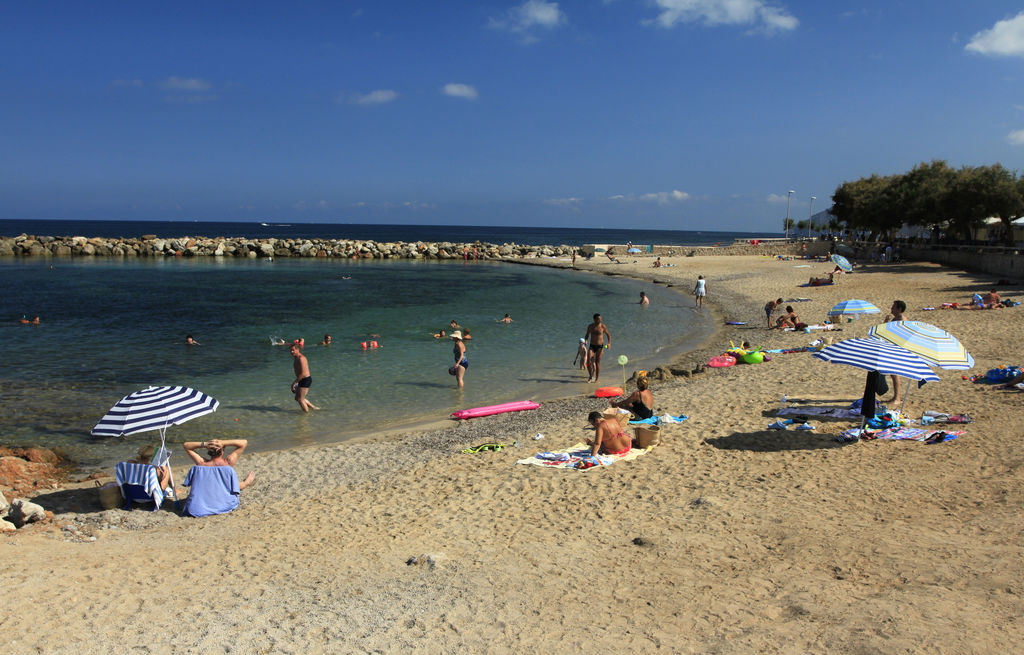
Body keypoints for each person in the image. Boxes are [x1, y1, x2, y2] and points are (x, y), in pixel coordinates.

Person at [181, 438, 256, 517]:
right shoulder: (227, 464)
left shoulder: (201, 464)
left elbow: (186, 445)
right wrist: (246, 482)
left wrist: (206, 444)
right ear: (222, 452)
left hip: (196, 509)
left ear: (209, 452)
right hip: (222, 506)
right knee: (234, 485)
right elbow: (244, 442)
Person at [881, 300, 908, 402]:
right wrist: (885, 322)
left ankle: (897, 398)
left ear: (899, 309)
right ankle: (896, 397)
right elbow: (885, 332)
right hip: (892, 347)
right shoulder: (895, 319)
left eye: (893, 307)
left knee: (895, 373)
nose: (891, 309)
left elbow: (901, 335)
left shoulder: (902, 320)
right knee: (893, 374)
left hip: (898, 348)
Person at [290, 343, 320, 412]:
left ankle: (306, 415)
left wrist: (294, 383)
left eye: (293, 350)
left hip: (305, 380)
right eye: (291, 350)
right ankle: (313, 408)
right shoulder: (296, 358)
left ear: (298, 350)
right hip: (301, 380)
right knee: (297, 398)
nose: (291, 352)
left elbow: (303, 374)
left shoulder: (301, 358)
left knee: (300, 399)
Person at [584, 313, 611, 383]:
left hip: (600, 347)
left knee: (597, 362)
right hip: (592, 346)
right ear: (594, 319)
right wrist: (586, 340)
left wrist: (609, 343)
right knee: (588, 361)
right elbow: (587, 335)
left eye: (601, 318)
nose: (600, 320)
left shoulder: (602, 326)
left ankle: (597, 379)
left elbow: (608, 335)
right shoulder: (590, 326)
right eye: (599, 319)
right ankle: (590, 376)